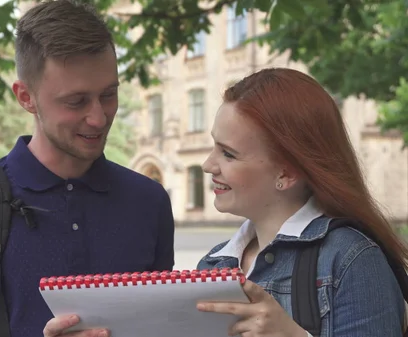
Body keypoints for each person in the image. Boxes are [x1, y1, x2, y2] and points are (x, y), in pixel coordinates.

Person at [44, 67, 408, 337]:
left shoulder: (351, 260)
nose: (207, 165)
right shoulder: (215, 262)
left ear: (289, 172)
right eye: (213, 146)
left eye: (229, 154)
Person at [0, 1, 175, 337]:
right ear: (26, 97)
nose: (99, 117)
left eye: (109, 94)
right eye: (76, 102)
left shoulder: (150, 201)